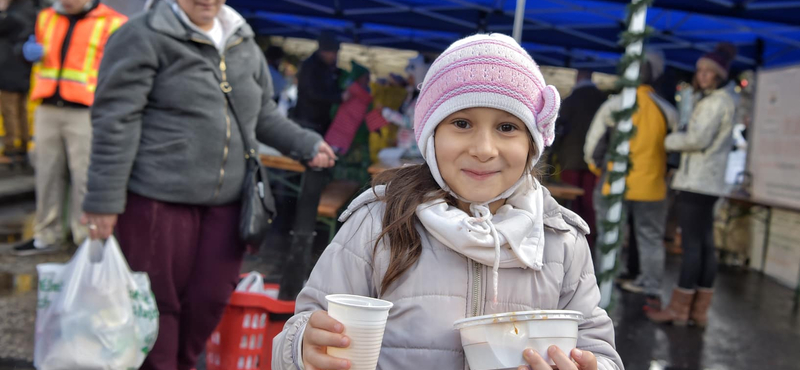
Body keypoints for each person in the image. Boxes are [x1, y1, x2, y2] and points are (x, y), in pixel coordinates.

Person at [272, 33, 623, 370]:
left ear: (533, 143)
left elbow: (599, 350)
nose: (484, 150)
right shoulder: (379, 220)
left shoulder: (562, 241)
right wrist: (304, 348)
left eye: (507, 128)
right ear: (430, 135)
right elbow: (301, 329)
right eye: (461, 122)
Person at [80, 1, 337, 369]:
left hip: (228, 204)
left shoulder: (241, 38)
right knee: (157, 304)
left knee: (210, 299)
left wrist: (306, 144)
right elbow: (114, 121)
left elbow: (261, 113)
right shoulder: (142, 35)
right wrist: (103, 201)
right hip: (156, 200)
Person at [12, 0, 126, 256]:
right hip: (48, 105)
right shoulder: (46, 17)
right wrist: (25, 51)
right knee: (46, 174)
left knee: (84, 176)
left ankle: (85, 237)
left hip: (86, 111)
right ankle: (46, 234)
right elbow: (22, 48)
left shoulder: (113, 23)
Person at [647, 43, 737, 327]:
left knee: (694, 247)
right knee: (705, 245)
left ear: (719, 75)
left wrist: (668, 139)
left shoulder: (715, 102)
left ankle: (679, 309)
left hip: (697, 182)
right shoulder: (722, 100)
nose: (703, 76)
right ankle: (697, 312)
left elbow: (696, 140)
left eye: (709, 71)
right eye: (700, 70)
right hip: (707, 183)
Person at [584, 51, 678, 307]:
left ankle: (604, 285)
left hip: (614, 184)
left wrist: (598, 170)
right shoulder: (667, 111)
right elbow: (674, 154)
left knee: (609, 236)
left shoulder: (614, 106)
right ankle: (652, 288)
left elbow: (592, 146)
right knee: (650, 238)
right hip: (653, 188)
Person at [553, 69, 606, 249]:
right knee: (590, 206)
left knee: (570, 207)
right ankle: (588, 245)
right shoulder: (603, 101)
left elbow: (558, 132)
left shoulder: (569, 101)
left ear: (577, 78)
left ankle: (571, 244)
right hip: (595, 163)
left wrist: (553, 156)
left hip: (570, 159)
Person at [0, 0, 36, 168]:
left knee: (10, 110)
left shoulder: (13, 14)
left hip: (9, 68)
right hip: (22, 68)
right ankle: (21, 148)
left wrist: (2, 10)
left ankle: (11, 150)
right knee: (19, 109)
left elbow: (5, 26)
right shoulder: (30, 9)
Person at [293, 30, 347, 135]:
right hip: (307, 122)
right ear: (324, 51)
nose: (335, 57)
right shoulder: (310, 67)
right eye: (333, 53)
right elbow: (313, 93)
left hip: (321, 122)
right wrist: (339, 97)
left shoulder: (327, 67)